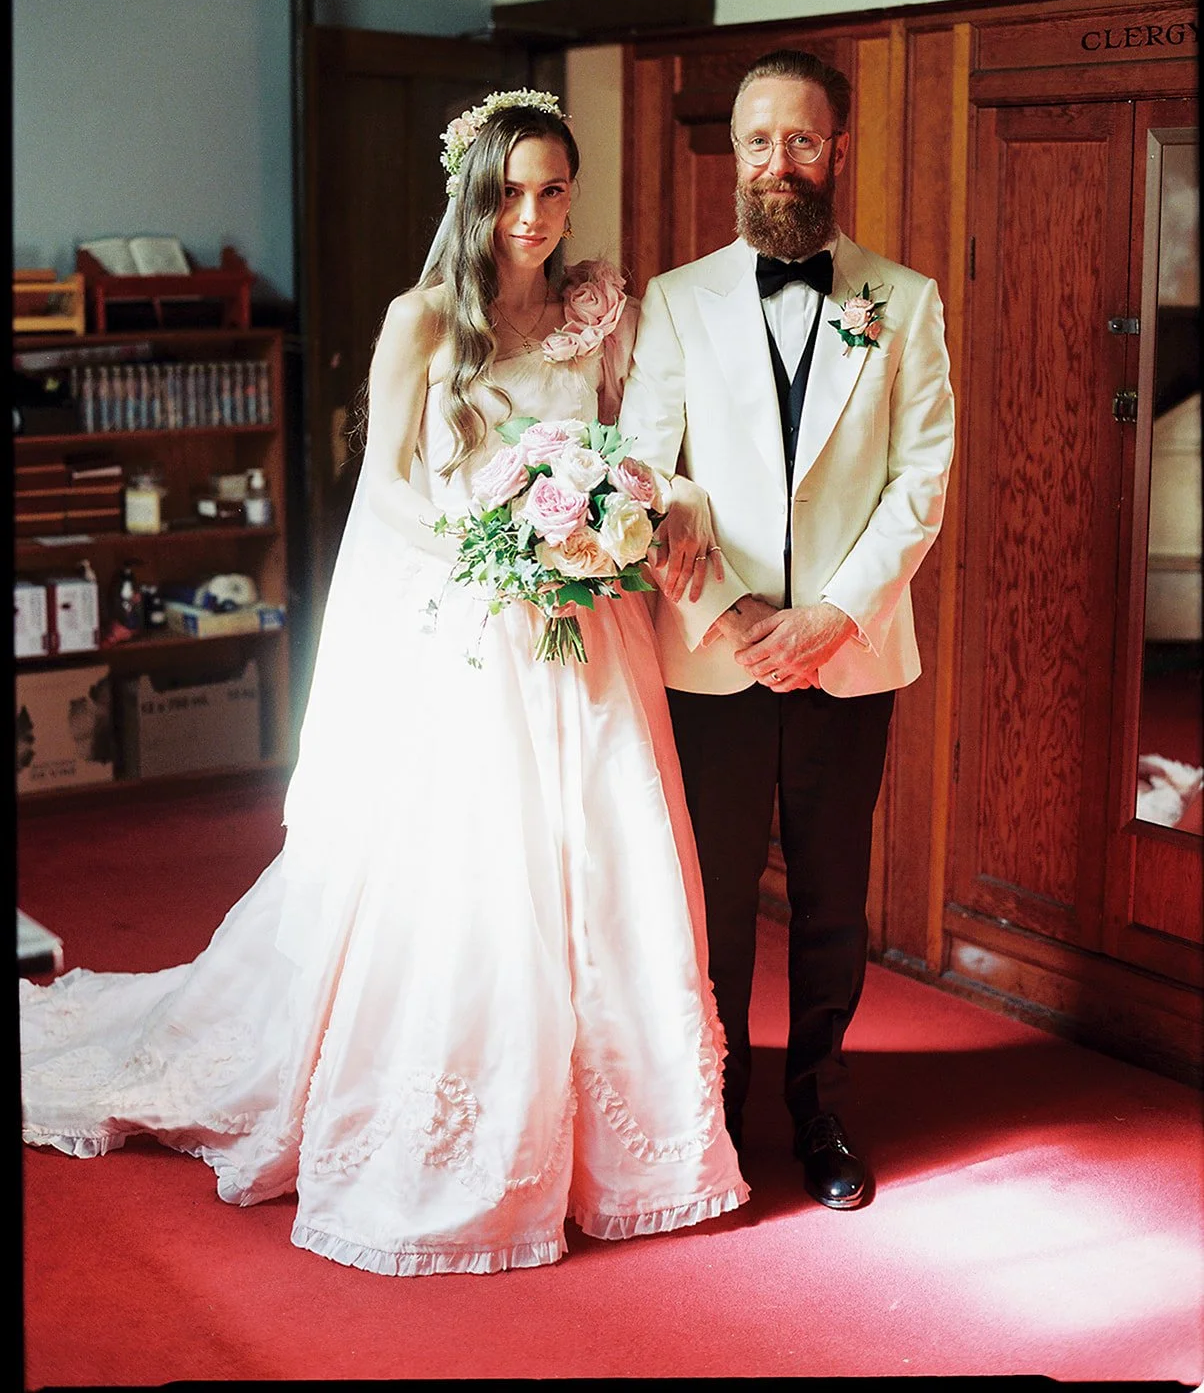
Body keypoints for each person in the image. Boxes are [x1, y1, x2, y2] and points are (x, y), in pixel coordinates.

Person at [20, 92, 747, 1276]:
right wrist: (498, 533)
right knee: (480, 873)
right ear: (471, 193)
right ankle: (466, 1122)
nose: (533, 215)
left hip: (586, 631)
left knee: (604, 867)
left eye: (554, 189)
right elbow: (392, 491)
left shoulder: (596, 308)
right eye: (511, 191)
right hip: (474, 628)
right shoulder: (424, 320)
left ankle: (624, 1144)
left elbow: (628, 446)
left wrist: (642, 509)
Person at [618, 49, 955, 1210]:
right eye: (757, 140)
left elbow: (920, 480)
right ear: (733, 151)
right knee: (711, 898)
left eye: (800, 140)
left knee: (829, 894)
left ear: (837, 148)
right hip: (711, 655)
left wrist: (827, 619)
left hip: (847, 656)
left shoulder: (903, 301)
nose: (777, 161)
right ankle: (713, 1106)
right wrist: (732, 614)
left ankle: (818, 1105)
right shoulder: (674, 300)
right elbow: (642, 479)